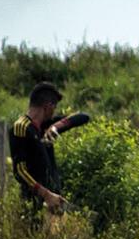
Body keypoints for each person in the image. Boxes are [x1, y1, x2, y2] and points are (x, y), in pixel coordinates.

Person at [11, 82, 91, 220]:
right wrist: (46, 194)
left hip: (53, 204)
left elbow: (83, 117)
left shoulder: (45, 126)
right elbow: (20, 171)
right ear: (48, 106)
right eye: (54, 107)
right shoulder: (22, 127)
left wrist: (55, 127)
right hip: (34, 203)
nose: (54, 111)